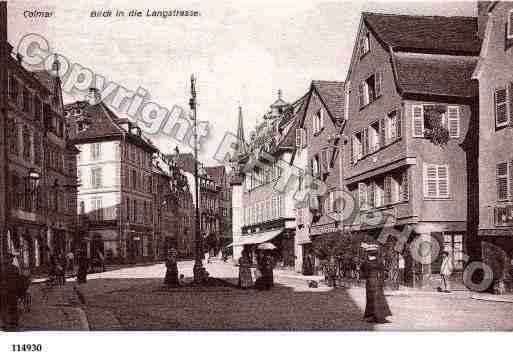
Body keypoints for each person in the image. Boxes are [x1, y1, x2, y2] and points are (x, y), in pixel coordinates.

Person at [362, 247, 392, 324]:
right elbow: (383, 273)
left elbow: (363, 274)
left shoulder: (366, 263)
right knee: (379, 299)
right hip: (378, 281)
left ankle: (373, 316)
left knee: (371, 299)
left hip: (370, 282)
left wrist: (366, 276)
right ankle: (379, 316)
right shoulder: (379, 262)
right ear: (375, 254)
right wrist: (381, 282)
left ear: (368, 254)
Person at [1, 254, 22, 330]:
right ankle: (14, 323)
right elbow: (19, 281)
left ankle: (5, 324)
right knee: (13, 307)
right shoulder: (15, 268)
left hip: (4, 291)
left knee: (4, 308)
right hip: (12, 291)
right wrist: (20, 292)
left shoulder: (2, 268)